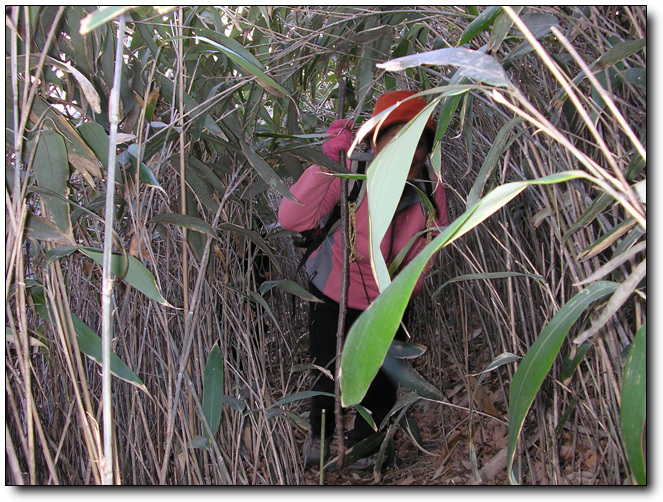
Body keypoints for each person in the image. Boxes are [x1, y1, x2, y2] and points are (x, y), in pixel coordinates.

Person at [278, 90, 450, 468]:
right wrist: (328, 164)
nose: (406, 152)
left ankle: (365, 448)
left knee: (383, 382)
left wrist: (396, 296)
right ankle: (321, 441)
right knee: (328, 373)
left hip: (389, 305)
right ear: (376, 140)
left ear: (426, 147)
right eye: (395, 139)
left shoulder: (429, 190)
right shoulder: (351, 173)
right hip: (332, 292)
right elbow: (292, 218)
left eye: (415, 141)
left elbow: (430, 249)